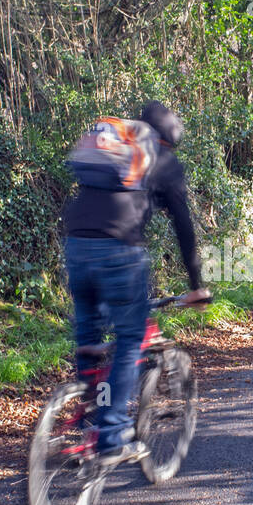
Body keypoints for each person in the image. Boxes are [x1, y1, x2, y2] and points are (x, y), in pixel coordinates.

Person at [61, 101, 211, 465]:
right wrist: (196, 285)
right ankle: (111, 434)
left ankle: (88, 415)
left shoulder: (114, 145)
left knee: (90, 335)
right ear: (169, 139)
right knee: (130, 337)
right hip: (119, 249)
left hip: (76, 241)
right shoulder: (164, 159)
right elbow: (183, 227)